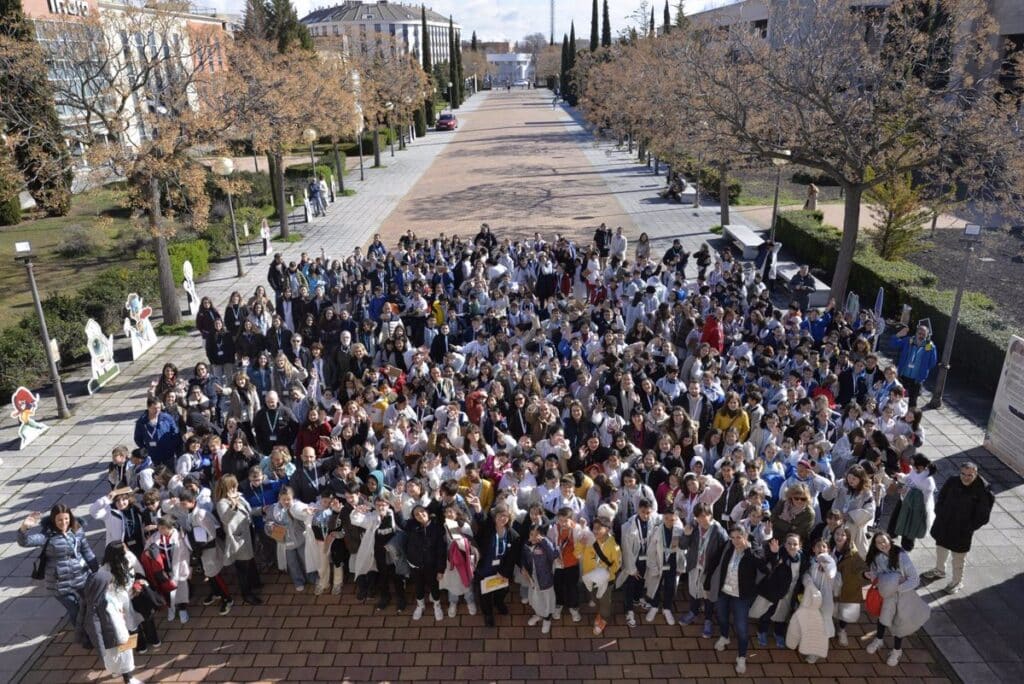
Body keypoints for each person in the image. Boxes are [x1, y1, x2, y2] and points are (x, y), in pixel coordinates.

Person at [18, 504, 99, 625]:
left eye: (66, 519)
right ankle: (83, 637)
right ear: (53, 520)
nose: (63, 522)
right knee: (75, 610)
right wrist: (24, 528)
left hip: (81, 576)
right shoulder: (47, 536)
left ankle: (93, 632)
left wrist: (97, 570)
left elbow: (87, 551)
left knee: (91, 605)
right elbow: (25, 542)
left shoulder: (77, 530)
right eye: (59, 520)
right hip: (59, 583)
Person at [922, 461, 994, 594]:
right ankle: (939, 570)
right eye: (963, 474)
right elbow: (941, 497)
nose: (966, 477)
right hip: (945, 524)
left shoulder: (983, 491)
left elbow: (983, 516)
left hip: (962, 531)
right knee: (941, 549)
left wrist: (968, 527)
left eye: (970, 475)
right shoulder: (952, 481)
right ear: (960, 472)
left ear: (976, 474)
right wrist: (940, 513)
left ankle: (957, 582)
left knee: (959, 558)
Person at [79, 543, 144, 684]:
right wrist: (101, 651)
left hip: (120, 633)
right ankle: (128, 678)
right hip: (113, 638)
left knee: (124, 657)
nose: (111, 584)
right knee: (121, 659)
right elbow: (94, 630)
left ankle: (123, 674)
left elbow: (118, 602)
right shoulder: (95, 607)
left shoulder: (108, 596)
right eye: (109, 583)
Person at [864, 532, 930, 667]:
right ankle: (879, 640)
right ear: (875, 545)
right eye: (879, 542)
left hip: (904, 595)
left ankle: (897, 651)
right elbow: (877, 574)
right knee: (883, 618)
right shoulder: (877, 557)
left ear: (890, 540)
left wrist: (897, 587)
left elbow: (914, 579)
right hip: (888, 595)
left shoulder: (901, 556)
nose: (883, 544)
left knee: (900, 622)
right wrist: (870, 575)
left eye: (884, 541)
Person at [679, 502, 728, 638]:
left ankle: (708, 620)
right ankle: (693, 611)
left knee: (707, 594)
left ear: (710, 515)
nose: (702, 519)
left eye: (704, 516)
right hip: (694, 566)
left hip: (709, 569)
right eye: (698, 517)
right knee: (693, 590)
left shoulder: (718, 530)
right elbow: (683, 546)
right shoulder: (694, 527)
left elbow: (725, 550)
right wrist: (686, 535)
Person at [214, 474, 263, 605]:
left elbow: (247, 511)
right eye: (232, 486)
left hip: (248, 532)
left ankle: (255, 583)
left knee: (250, 560)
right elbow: (226, 519)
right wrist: (233, 505)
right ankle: (246, 593)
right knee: (242, 568)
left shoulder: (238, 495)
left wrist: (261, 510)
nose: (235, 488)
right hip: (238, 538)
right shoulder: (222, 503)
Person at [579, 515, 621, 635]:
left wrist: (606, 572)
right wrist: (581, 544)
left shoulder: (614, 546)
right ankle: (600, 612)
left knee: (604, 600)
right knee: (596, 596)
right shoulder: (590, 540)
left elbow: (617, 564)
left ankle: (604, 619)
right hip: (591, 576)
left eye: (599, 528)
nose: (595, 531)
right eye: (594, 528)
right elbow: (578, 553)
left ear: (607, 529)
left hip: (606, 580)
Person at [520, 522, 559, 634]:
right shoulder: (526, 546)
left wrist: (544, 541)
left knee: (547, 601)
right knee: (536, 599)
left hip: (545, 580)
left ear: (542, 535)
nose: (533, 537)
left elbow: (553, 555)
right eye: (531, 534)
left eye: (537, 535)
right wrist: (523, 568)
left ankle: (547, 619)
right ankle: (538, 614)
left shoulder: (546, 545)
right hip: (533, 580)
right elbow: (523, 559)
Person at [893, 324, 937, 409]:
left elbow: (932, 363)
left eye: (923, 334)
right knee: (896, 397)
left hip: (917, 379)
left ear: (927, 335)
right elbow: (893, 344)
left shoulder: (929, 346)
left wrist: (924, 369)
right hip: (903, 375)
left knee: (913, 402)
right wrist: (898, 335)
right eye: (919, 333)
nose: (921, 336)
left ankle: (911, 419)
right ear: (916, 333)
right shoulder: (908, 341)